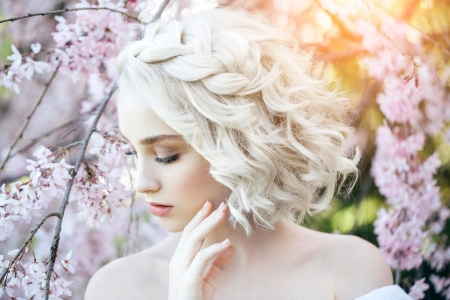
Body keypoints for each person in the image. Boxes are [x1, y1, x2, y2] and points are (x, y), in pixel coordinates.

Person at [85, 8, 413, 300]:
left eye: (166, 155)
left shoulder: (353, 271)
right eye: (133, 152)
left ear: (242, 143)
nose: (141, 183)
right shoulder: (117, 289)